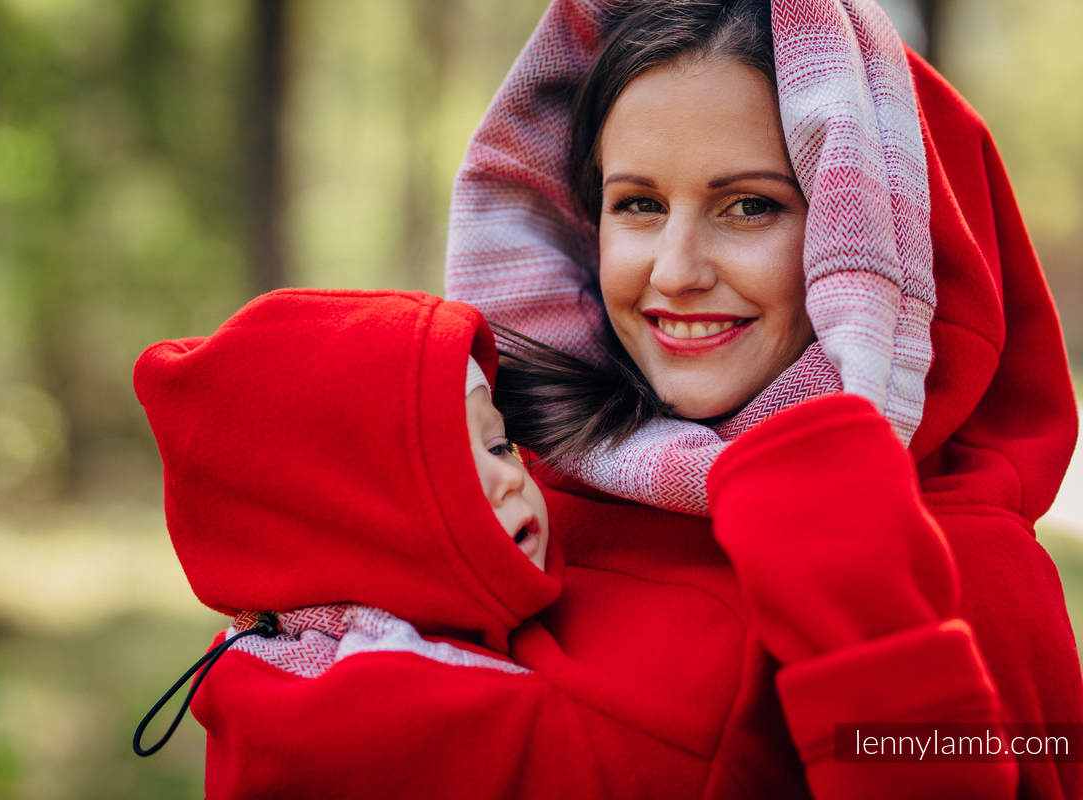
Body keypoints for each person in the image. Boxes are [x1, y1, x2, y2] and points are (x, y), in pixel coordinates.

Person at [446, 0, 1082, 797]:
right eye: (638, 203)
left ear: (865, 235)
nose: (676, 271)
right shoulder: (519, 501)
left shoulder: (967, 571)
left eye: (751, 206)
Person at [134, 289, 767, 798]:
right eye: (449, 464)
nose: (508, 476)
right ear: (348, 517)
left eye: (498, 444)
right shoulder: (380, 708)